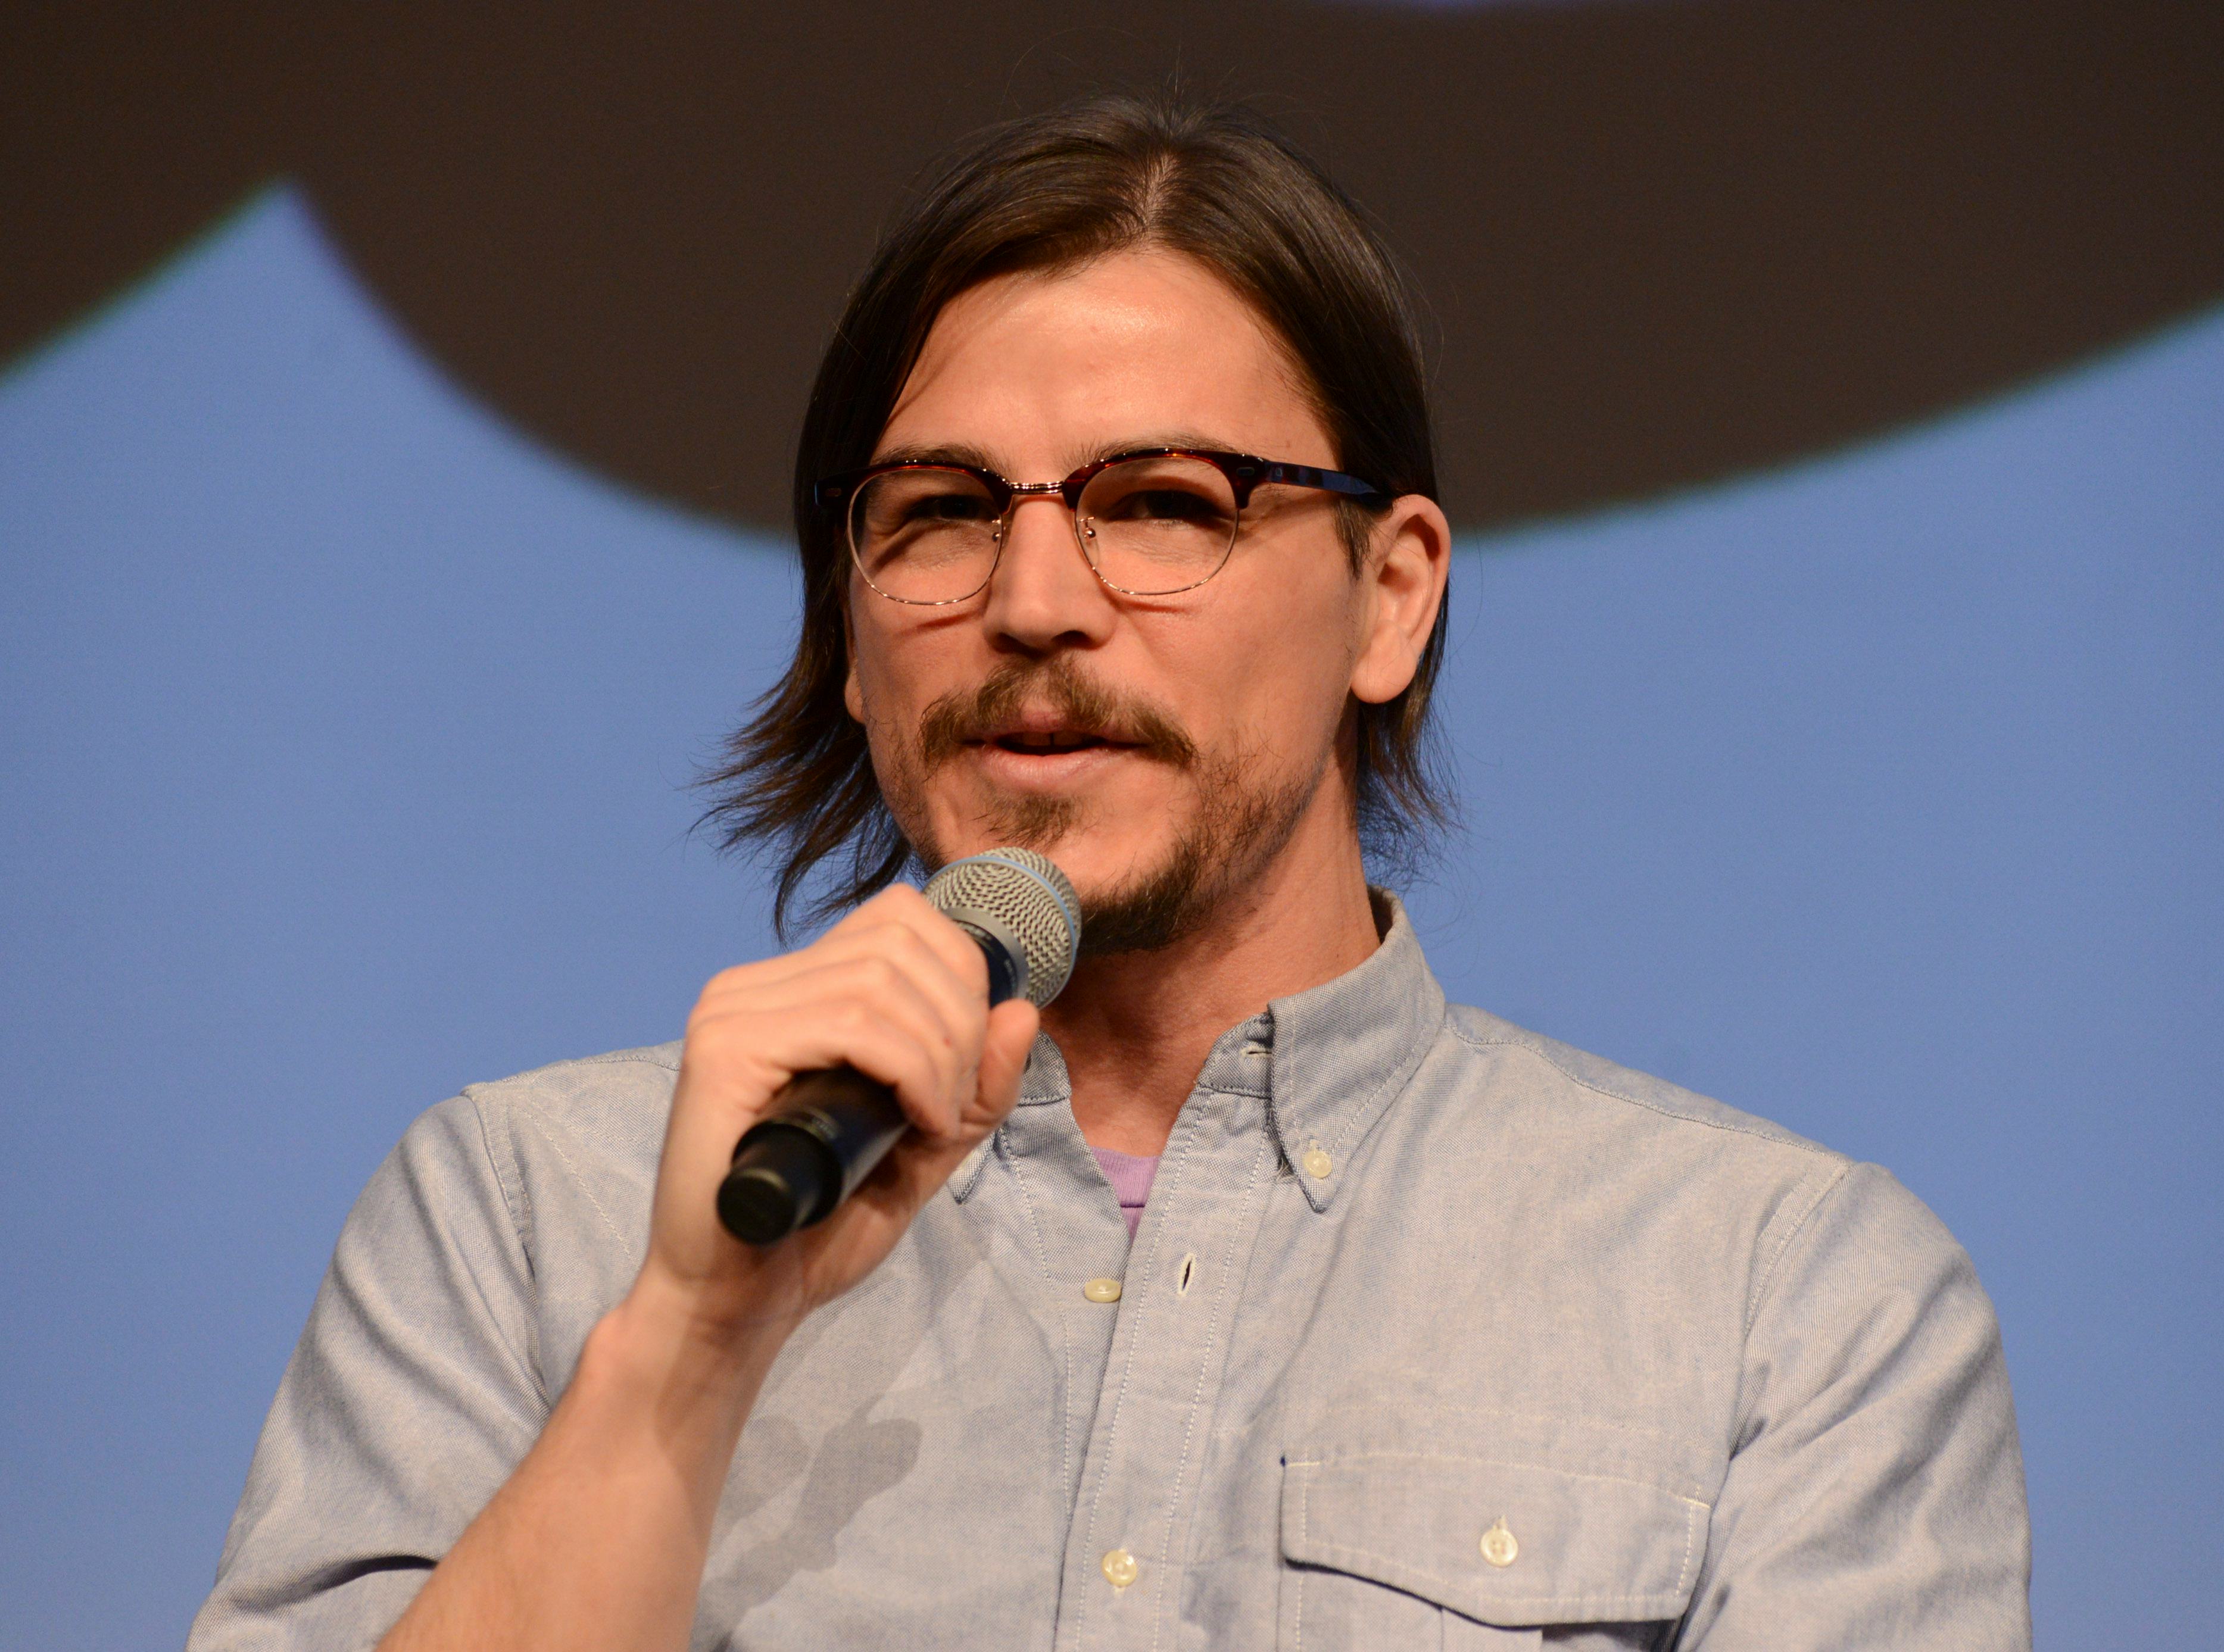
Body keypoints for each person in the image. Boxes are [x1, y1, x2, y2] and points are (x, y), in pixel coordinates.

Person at [190, 95, 2029, 1651]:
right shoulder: (524, 1218)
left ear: (1389, 597)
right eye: (941, 515)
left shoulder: (1782, 1296)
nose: (1032, 601)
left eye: (1161, 505)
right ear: (848, 631)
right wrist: (687, 1345)